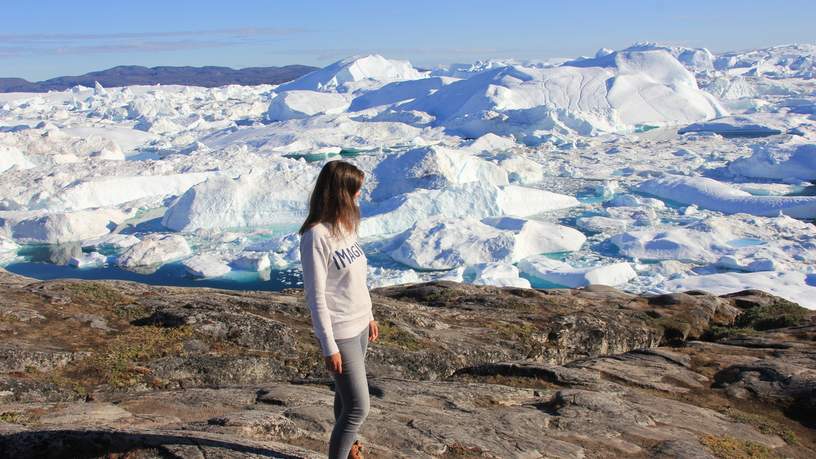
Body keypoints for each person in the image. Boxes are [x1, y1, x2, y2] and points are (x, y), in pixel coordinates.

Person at [299, 160, 379, 459]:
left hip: (359, 325)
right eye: (356, 190)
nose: (360, 196)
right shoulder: (316, 236)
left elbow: (357, 278)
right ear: (341, 192)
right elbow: (316, 296)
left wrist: (369, 315)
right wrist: (328, 344)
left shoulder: (345, 227)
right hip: (341, 331)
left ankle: (350, 447)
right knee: (359, 406)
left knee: (345, 399)